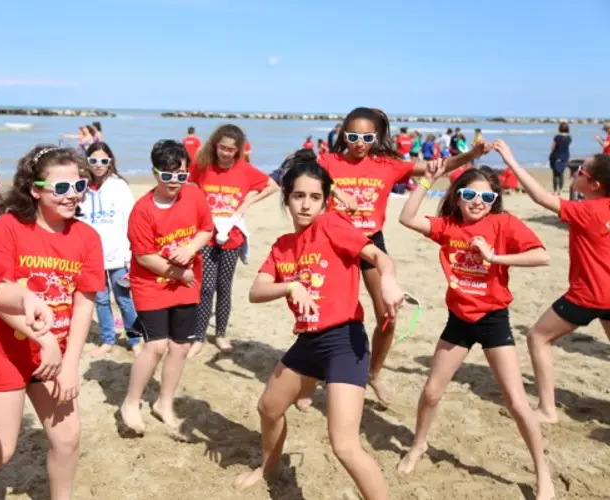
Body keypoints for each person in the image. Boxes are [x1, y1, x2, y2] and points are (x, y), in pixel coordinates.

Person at [234, 153, 403, 500]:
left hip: (344, 341)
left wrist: (389, 280)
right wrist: (291, 286)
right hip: (308, 343)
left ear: (325, 201)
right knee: (269, 408)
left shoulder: (332, 226)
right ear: (287, 198)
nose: (306, 205)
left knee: (344, 445)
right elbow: (256, 292)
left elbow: (379, 256)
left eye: (314, 197)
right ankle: (270, 465)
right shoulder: (283, 246)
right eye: (298, 196)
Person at [397, 163, 555, 500]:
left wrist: (496, 257)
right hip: (458, 321)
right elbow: (407, 217)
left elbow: (542, 256)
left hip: (494, 319)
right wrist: (429, 178)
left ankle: (543, 473)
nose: (477, 201)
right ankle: (418, 444)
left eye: (486, 196)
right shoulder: (449, 226)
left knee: (516, 401)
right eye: (469, 194)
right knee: (431, 393)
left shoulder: (503, 223)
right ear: (457, 198)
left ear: (495, 199)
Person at [316, 107, 487, 405]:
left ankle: (373, 374)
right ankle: (310, 378)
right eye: (353, 136)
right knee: (326, 315)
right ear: (344, 135)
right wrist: (336, 192)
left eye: (367, 136)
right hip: (333, 243)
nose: (359, 142)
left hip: (371, 242)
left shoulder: (388, 164)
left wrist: (470, 155)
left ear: (376, 137)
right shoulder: (329, 161)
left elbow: (439, 166)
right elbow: (299, 171)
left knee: (388, 315)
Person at [0, 145, 105, 500]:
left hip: (53, 357)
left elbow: (83, 303)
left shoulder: (87, 237)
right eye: (61, 188)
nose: (72, 195)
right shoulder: (7, 229)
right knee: (0, 450)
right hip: (1, 351)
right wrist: (46, 342)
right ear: (35, 188)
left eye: (80, 186)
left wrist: (70, 364)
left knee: (67, 437)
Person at [493, 139, 610, 425]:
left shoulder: (587, 211)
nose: (576, 171)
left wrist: (511, 160)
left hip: (588, 296)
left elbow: (541, 197)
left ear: (594, 185)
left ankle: (547, 409)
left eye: (581, 171)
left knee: (538, 337)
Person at [121, 140, 214, 433]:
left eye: (181, 175)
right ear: (155, 173)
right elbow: (144, 256)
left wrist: (189, 249)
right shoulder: (142, 210)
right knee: (156, 345)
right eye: (167, 175)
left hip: (186, 283)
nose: (174, 182)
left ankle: (165, 402)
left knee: (180, 346)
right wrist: (178, 272)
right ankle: (131, 402)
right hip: (152, 284)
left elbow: (206, 229)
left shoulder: (194, 195)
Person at [188, 124, 278, 356]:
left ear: (238, 150)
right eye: (222, 148)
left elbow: (272, 185)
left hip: (232, 237)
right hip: (206, 234)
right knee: (206, 287)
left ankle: (220, 334)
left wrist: (247, 203)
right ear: (215, 145)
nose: (226, 153)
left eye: (231, 150)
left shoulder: (244, 169)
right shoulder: (203, 166)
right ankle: (198, 337)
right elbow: (189, 187)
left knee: (223, 287)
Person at [79, 142, 143, 357]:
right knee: (101, 299)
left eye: (104, 161)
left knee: (124, 299)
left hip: (118, 254)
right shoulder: (82, 187)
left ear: (110, 162)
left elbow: (131, 220)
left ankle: (135, 339)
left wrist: (130, 255)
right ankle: (108, 339)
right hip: (91, 257)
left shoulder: (119, 186)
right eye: (93, 161)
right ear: (87, 162)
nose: (98, 165)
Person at [549, 122, 572, 195]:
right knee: (561, 174)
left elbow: (552, 148)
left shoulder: (557, 137)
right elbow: (568, 148)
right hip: (565, 156)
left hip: (556, 156)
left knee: (555, 175)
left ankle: (555, 191)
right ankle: (560, 190)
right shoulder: (569, 138)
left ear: (559, 128)